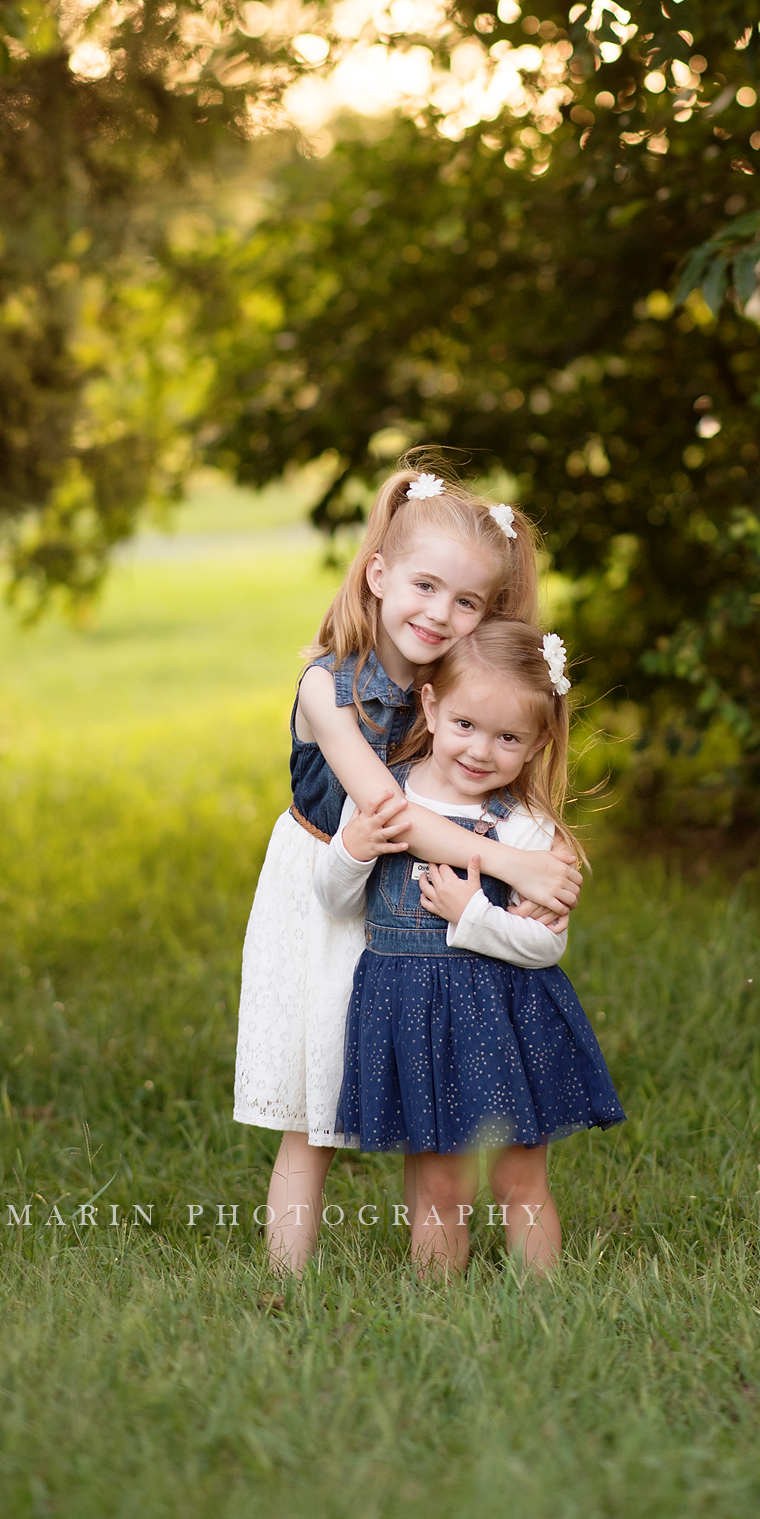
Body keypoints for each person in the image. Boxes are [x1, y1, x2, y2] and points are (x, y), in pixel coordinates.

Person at [234, 462, 583, 1272]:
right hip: (325, 885)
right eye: (425, 587)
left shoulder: (447, 682)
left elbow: (503, 771)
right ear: (379, 574)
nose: (440, 614)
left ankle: (436, 1253)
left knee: (410, 1079)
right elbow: (388, 812)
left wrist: (550, 858)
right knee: (313, 1102)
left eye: (467, 602)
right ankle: (289, 1286)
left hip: (407, 904)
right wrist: (509, 865)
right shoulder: (328, 685)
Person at [314, 618, 624, 1275]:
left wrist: (473, 915)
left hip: (499, 1020)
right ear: (430, 705)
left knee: (518, 1181)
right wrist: (351, 852)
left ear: (539, 740)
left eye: (508, 737)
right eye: (465, 726)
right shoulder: (383, 796)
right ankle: (436, 1312)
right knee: (439, 1189)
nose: (481, 750)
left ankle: (545, 1303)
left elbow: (545, 947)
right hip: (410, 1013)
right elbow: (338, 902)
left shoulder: (525, 827)